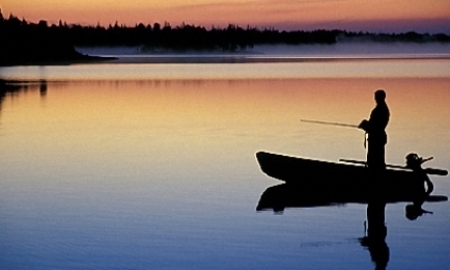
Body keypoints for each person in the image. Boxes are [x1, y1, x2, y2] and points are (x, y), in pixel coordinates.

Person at [359, 90, 390, 170]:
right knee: (375, 159)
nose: (375, 99)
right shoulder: (382, 109)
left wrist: (365, 125)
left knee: (376, 159)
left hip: (376, 138)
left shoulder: (380, 110)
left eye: (376, 97)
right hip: (377, 137)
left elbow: (376, 126)